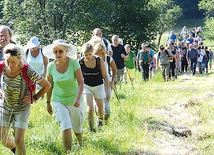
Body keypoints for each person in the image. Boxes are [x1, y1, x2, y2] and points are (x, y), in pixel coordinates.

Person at [0, 43, 50, 155]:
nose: (10, 64)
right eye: (8, 61)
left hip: (22, 108)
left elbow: (47, 85)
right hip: (5, 106)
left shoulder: (27, 70)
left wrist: (35, 97)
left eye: (13, 62)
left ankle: (18, 150)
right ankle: (16, 150)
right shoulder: (2, 66)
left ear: (19, 59)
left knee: (19, 139)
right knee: (2, 138)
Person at [46, 39, 84, 153]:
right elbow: (49, 85)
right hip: (59, 100)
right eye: (55, 51)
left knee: (77, 127)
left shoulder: (74, 63)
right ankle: (68, 152)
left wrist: (77, 99)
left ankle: (80, 144)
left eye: (60, 51)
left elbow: (81, 82)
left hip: (75, 100)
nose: (58, 54)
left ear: (66, 51)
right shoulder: (50, 66)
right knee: (66, 127)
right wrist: (48, 103)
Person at [79, 42, 110, 132]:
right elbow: (78, 78)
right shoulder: (80, 62)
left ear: (92, 52)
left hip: (99, 86)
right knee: (90, 109)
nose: (88, 56)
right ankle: (91, 129)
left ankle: (100, 121)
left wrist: (107, 91)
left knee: (100, 111)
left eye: (89, 54)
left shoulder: (98, 60)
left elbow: (105, 76)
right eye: (86, 54)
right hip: (86, 86)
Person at [93, 42, 117, 123]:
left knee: (107, 107)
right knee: (97, 105)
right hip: (96, 84)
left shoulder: (108, 58)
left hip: (107, 83)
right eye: (98, 53)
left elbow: (114, 69)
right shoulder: (92, 60)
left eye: (101, 53)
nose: (100, 55)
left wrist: (112, 81)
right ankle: (99, 121)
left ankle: (105, 121)